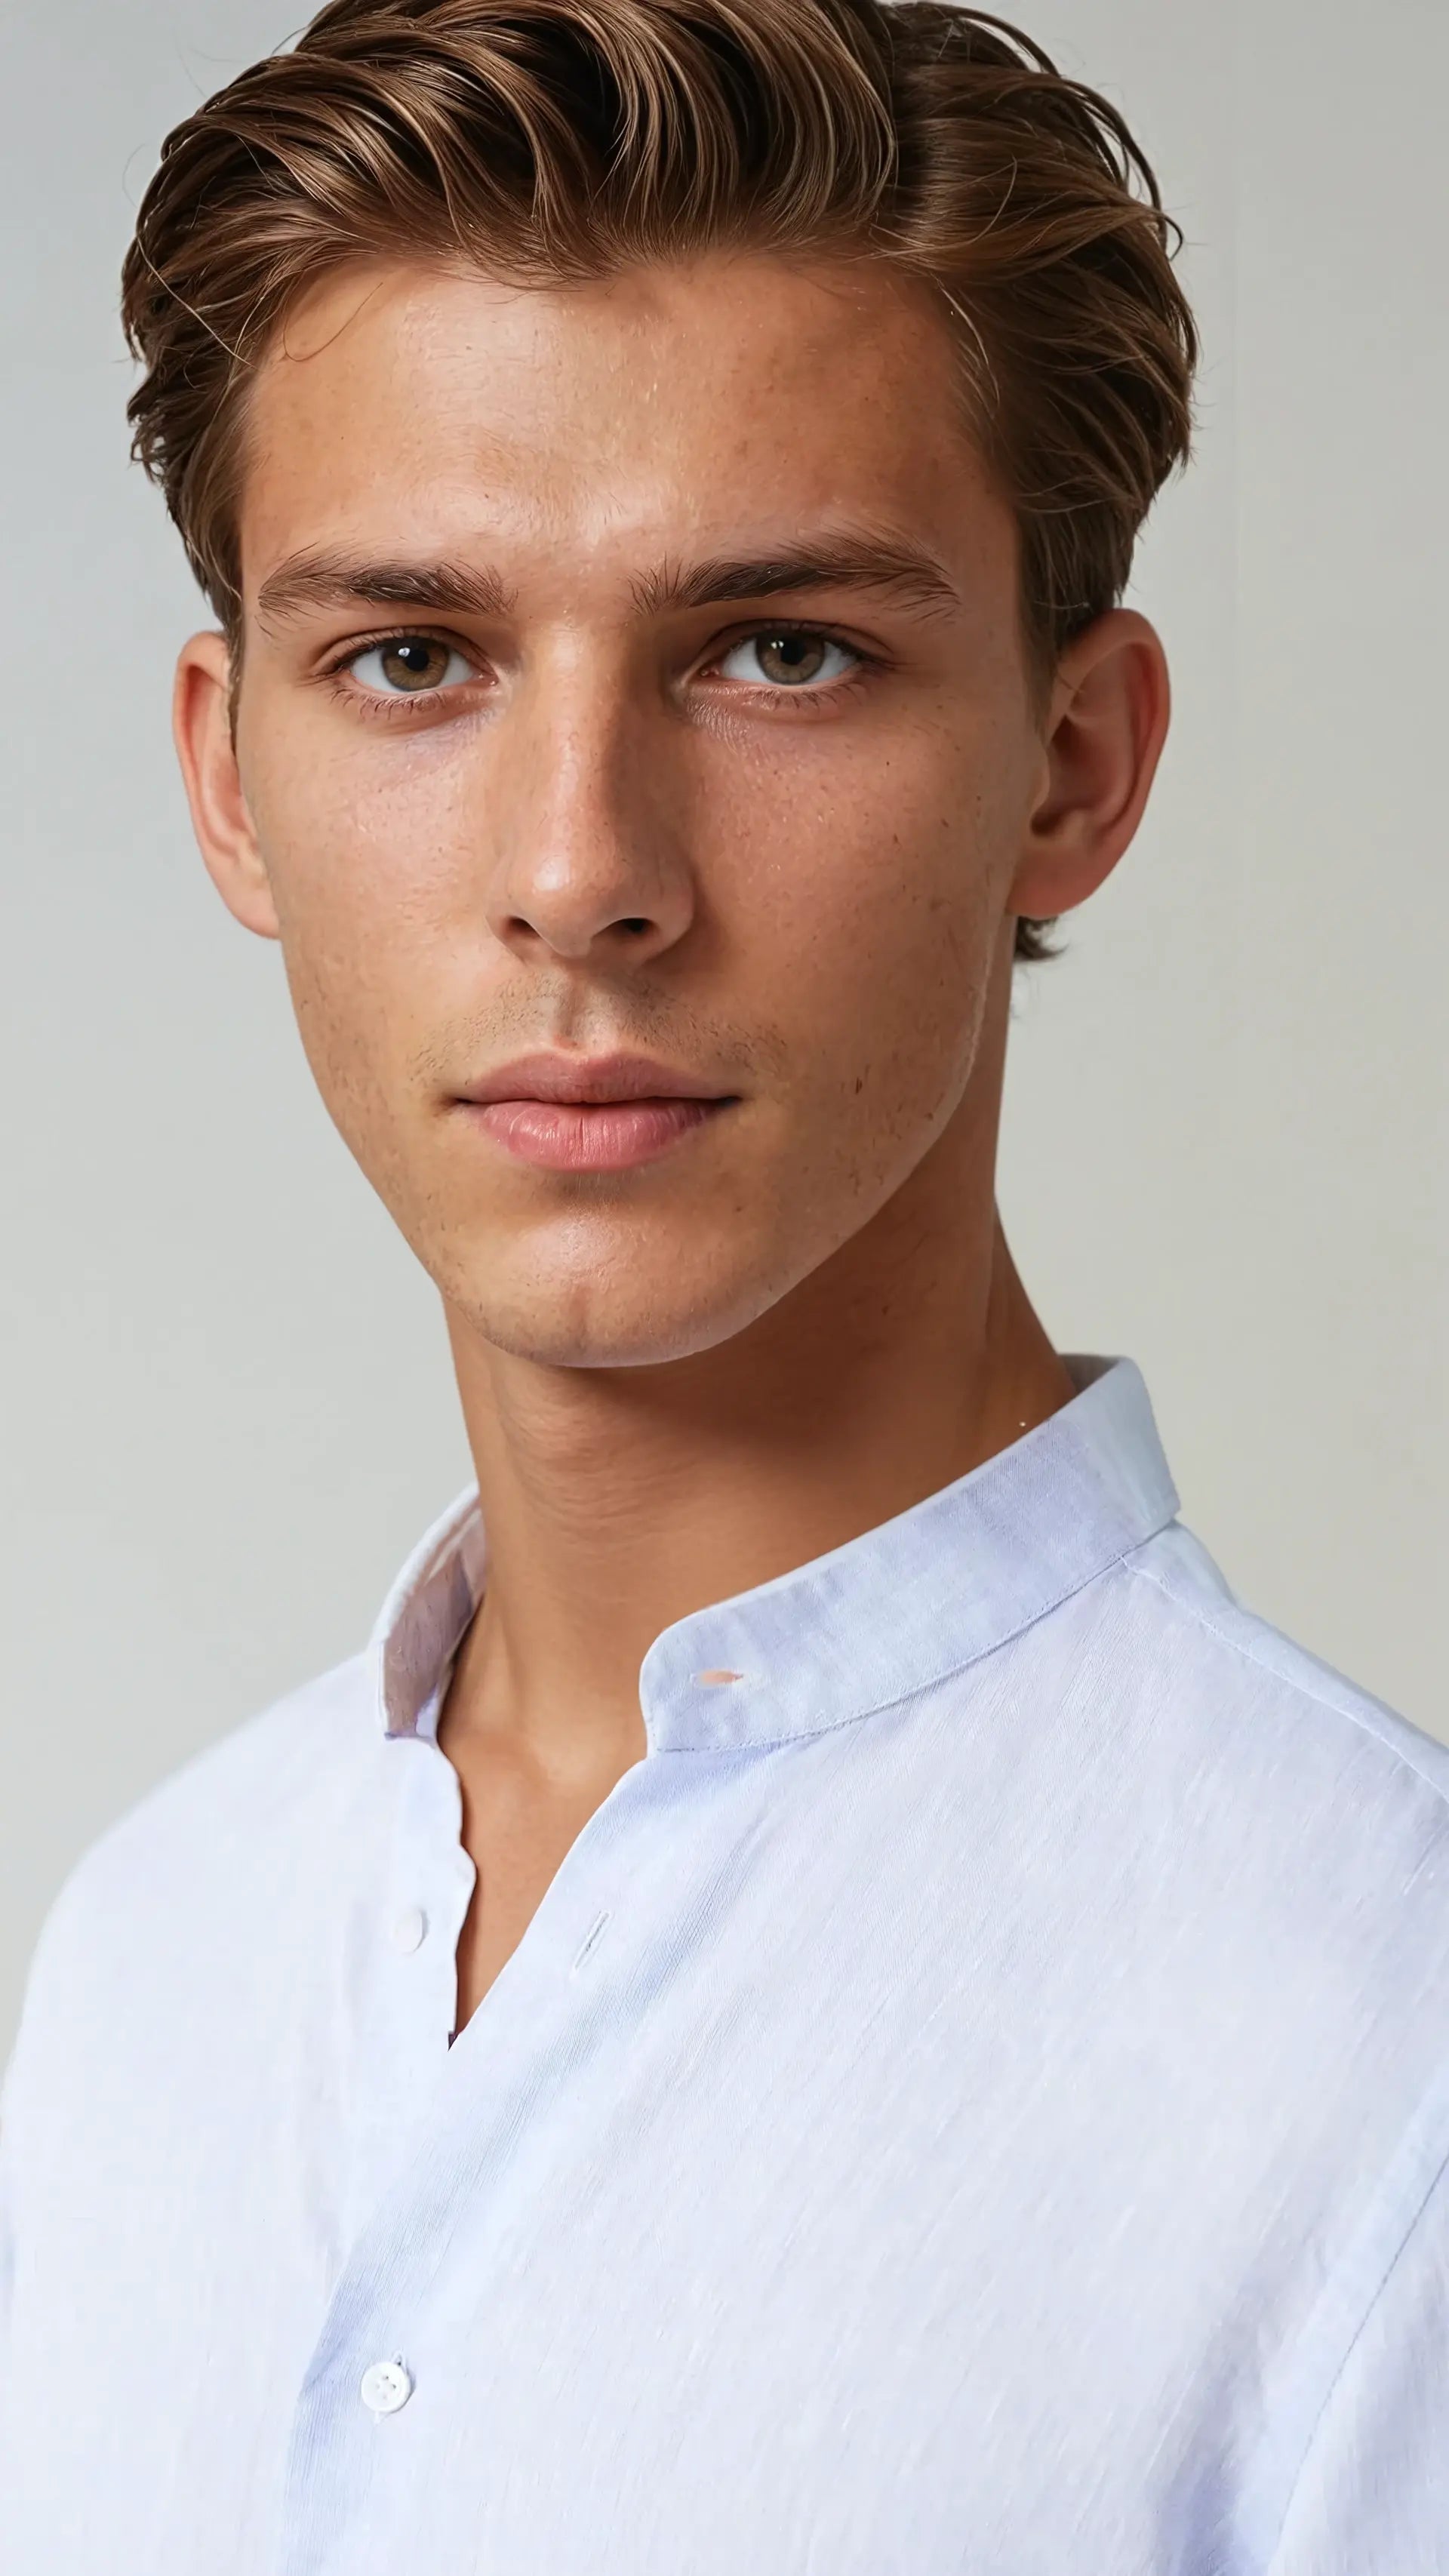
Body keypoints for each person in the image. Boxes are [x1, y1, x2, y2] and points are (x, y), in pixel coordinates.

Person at [2, 0, 1445, 2565]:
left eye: (780, 649)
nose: (582, 871)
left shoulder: (1378, 2050)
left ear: (1074, 767)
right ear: (231, 779)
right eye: (414, 658)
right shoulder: (150, 1956)